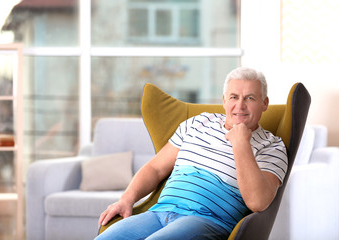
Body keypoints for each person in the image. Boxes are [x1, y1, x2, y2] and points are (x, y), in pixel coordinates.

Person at [94, 67, 288, 240]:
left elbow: (258, 202)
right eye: (234, 97)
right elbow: (155, 168)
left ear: (264, 103)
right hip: (160, 213)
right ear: (224, 101)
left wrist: (241, 143)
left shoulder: (272, 146)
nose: (240, 106)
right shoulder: (198, 123)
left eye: (250, 98)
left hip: (207, 220)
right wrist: (126, 199)